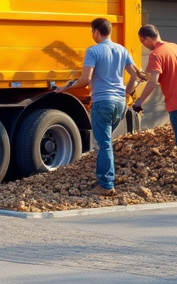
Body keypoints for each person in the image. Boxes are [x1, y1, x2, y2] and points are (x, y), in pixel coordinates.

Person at [61, 17, 145, 197]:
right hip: (119, 104)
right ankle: (104, 178)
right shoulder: (122, 50)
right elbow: (135, 75)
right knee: (105, 143)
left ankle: (106, 184)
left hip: (103, 102)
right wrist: (126, 93)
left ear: (96, 32)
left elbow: (86, 80)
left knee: (104, 144)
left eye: (92, 32)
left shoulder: (93, 51)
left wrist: (65, 87)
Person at [131, 24, 177, 197]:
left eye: (143, 42)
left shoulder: (155, 54)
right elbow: (175, 71)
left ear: (146, 39)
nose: (143, 45)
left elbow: (153, 81)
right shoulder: (175, 48)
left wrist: (140, 101)